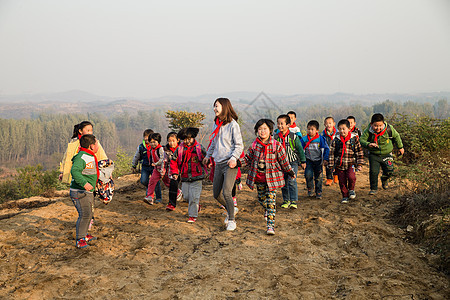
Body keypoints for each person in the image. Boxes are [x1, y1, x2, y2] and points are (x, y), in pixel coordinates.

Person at [239, 119, 295, 235]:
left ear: (270, 131)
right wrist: (237, 163)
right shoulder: (254, 145)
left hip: (272, 179)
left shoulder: (276, 145)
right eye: (260, 129)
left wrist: (290, 172)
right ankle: (268, 209)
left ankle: (270, 226)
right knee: (261, 199)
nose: (262, 131)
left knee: (271, 202)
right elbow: (247, 158)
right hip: (259, 178)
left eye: (265, 129)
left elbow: (284, 161)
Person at [203, 98, 244, 231]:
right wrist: (208, 156)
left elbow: (239, 145)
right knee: (216, 194)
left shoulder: (233, 125)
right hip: (218, 163)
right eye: (214, 106)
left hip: (230, 164)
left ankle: (231, 219)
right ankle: (232, 209)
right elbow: (214, 143)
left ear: (225, 107)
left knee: (227, 192)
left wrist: (233, 159)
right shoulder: (217, 124)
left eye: (217, 106)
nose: (214, 108)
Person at [360, 113, 404, 195]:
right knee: (373, 172)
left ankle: (384, 179)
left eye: (380, 125)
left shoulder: (389, 129)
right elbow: (361, 140)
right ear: (371, 124)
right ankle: (373, 188)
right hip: (374, 155)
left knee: (390, 170)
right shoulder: (368, 131)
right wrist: (368, 144)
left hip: (387, 154)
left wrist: (400, 147)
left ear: (383, 123)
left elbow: (397, 136)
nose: (378, 128)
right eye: (375, 126)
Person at [170, 128, 207, 223]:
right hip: (185, 177)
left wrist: (208, 163)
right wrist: (174, 172)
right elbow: (173, 160)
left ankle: (192, 216)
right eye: (184, 139)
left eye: (189, 139)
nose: (187, 141)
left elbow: (207, 157)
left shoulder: (199, 148)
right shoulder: (179, 149)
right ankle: (196, 206)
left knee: (194, 197)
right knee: (186, 197)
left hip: (197, 177)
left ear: (193, 138)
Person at [69, 134, 99, 249]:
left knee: (89, 214)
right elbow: (75, 171)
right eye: (96, 144)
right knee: (85, 214)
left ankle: (85, 235)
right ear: (91, 146)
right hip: (80, 192)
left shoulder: (90, 156)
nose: (97, 146)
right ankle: (80, 239)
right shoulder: (82, 157)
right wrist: (84, 183)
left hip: (88, 192)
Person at [327, 119, 365, 203]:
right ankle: (345, 196)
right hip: (339, 164)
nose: (341, 131)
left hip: (350, 163)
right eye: (340, 129)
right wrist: (331, 166)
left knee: (351, 177)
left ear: (348, 129)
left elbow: (359, 151)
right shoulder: (336, 140)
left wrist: (359, 164)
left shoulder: (353, 139)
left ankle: (351, 189)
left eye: (343, 129)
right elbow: (331, 153)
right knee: (342, 181)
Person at [274, 114, 306, 209]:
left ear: (288, 125)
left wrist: (303, 161)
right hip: (280, 164)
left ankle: (293, 201)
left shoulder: (294, 137)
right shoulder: (276, 138)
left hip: (292, 162)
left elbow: (300, 149)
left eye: (282, 123)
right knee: (283, 182)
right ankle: (286, 200)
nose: (280, 126)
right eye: (278, 123)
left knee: (292, 181)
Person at [300, 120, 330, 199]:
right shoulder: (304, 139)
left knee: (319, 177)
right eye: (308, 129)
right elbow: (300, 149)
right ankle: (310, 189)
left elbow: (327, 149)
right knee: (308, 175)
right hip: (308, 160)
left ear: (317, 130)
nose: (310, 131)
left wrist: (325, 159)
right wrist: (302, 161)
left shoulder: (321, 139)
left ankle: (318, 192)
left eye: (312, 129)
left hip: (318, 161)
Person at [131, 129, 162, 201]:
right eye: (145, 136)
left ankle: (158, 198)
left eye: (148, 137)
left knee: (156, 182)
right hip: (145, 167)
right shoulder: (141, 147)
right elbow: (136, 156)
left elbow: (162, 157)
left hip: (154, 167)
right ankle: (150, 189)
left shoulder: (155, 147)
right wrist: (133, 165)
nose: (146, 138)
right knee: (143, 181)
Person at [145, 133, 170, 204]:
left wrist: (155, 164)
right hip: (156, 169)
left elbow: (162, 160)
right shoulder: (151, 150)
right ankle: (149, 197)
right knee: (152, 182)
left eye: (154, 142)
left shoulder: (160, 149)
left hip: (163, 169)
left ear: (158, 141)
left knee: (167, 183)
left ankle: (178, 193)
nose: (152, 144)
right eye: (151, 142)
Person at [165, 132, 183, 211]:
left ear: (178, 140)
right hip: (173, 170)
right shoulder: (166, 150)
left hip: (184, 170)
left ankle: (194, 203)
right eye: (169, 141)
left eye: (173, 141)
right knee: (173, 184)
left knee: (189, 189)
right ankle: (171, 204)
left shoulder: (182, 149)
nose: (171, 143)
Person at [322, 116, 338, 186]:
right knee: (328, 166)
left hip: (336, 153)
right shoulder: (323, 136)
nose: (328, 125)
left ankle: (335, 176)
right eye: (327, 123)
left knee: (336, 165)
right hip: (327, 153)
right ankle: (329, 178)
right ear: (324, 124)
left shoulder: (338, 134)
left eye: (330, 123)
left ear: (334, 124)